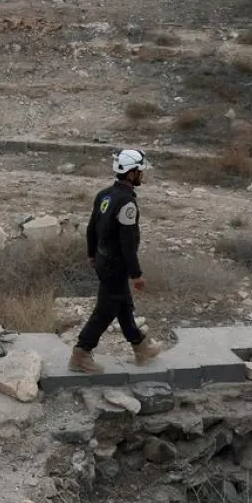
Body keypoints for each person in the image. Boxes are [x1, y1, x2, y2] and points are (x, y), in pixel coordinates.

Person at [70, 149, 165, 373]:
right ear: (131, 174)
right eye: (140, 172)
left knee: (123, 305)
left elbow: (92, 228)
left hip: (103, 260)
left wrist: (92, 253)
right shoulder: (127, 204)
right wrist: (136, 274)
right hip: (116, 265)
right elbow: (127, 243)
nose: (142, 175)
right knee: (106, 310)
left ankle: (140, 347)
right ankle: (80, 354)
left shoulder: (104, 195)